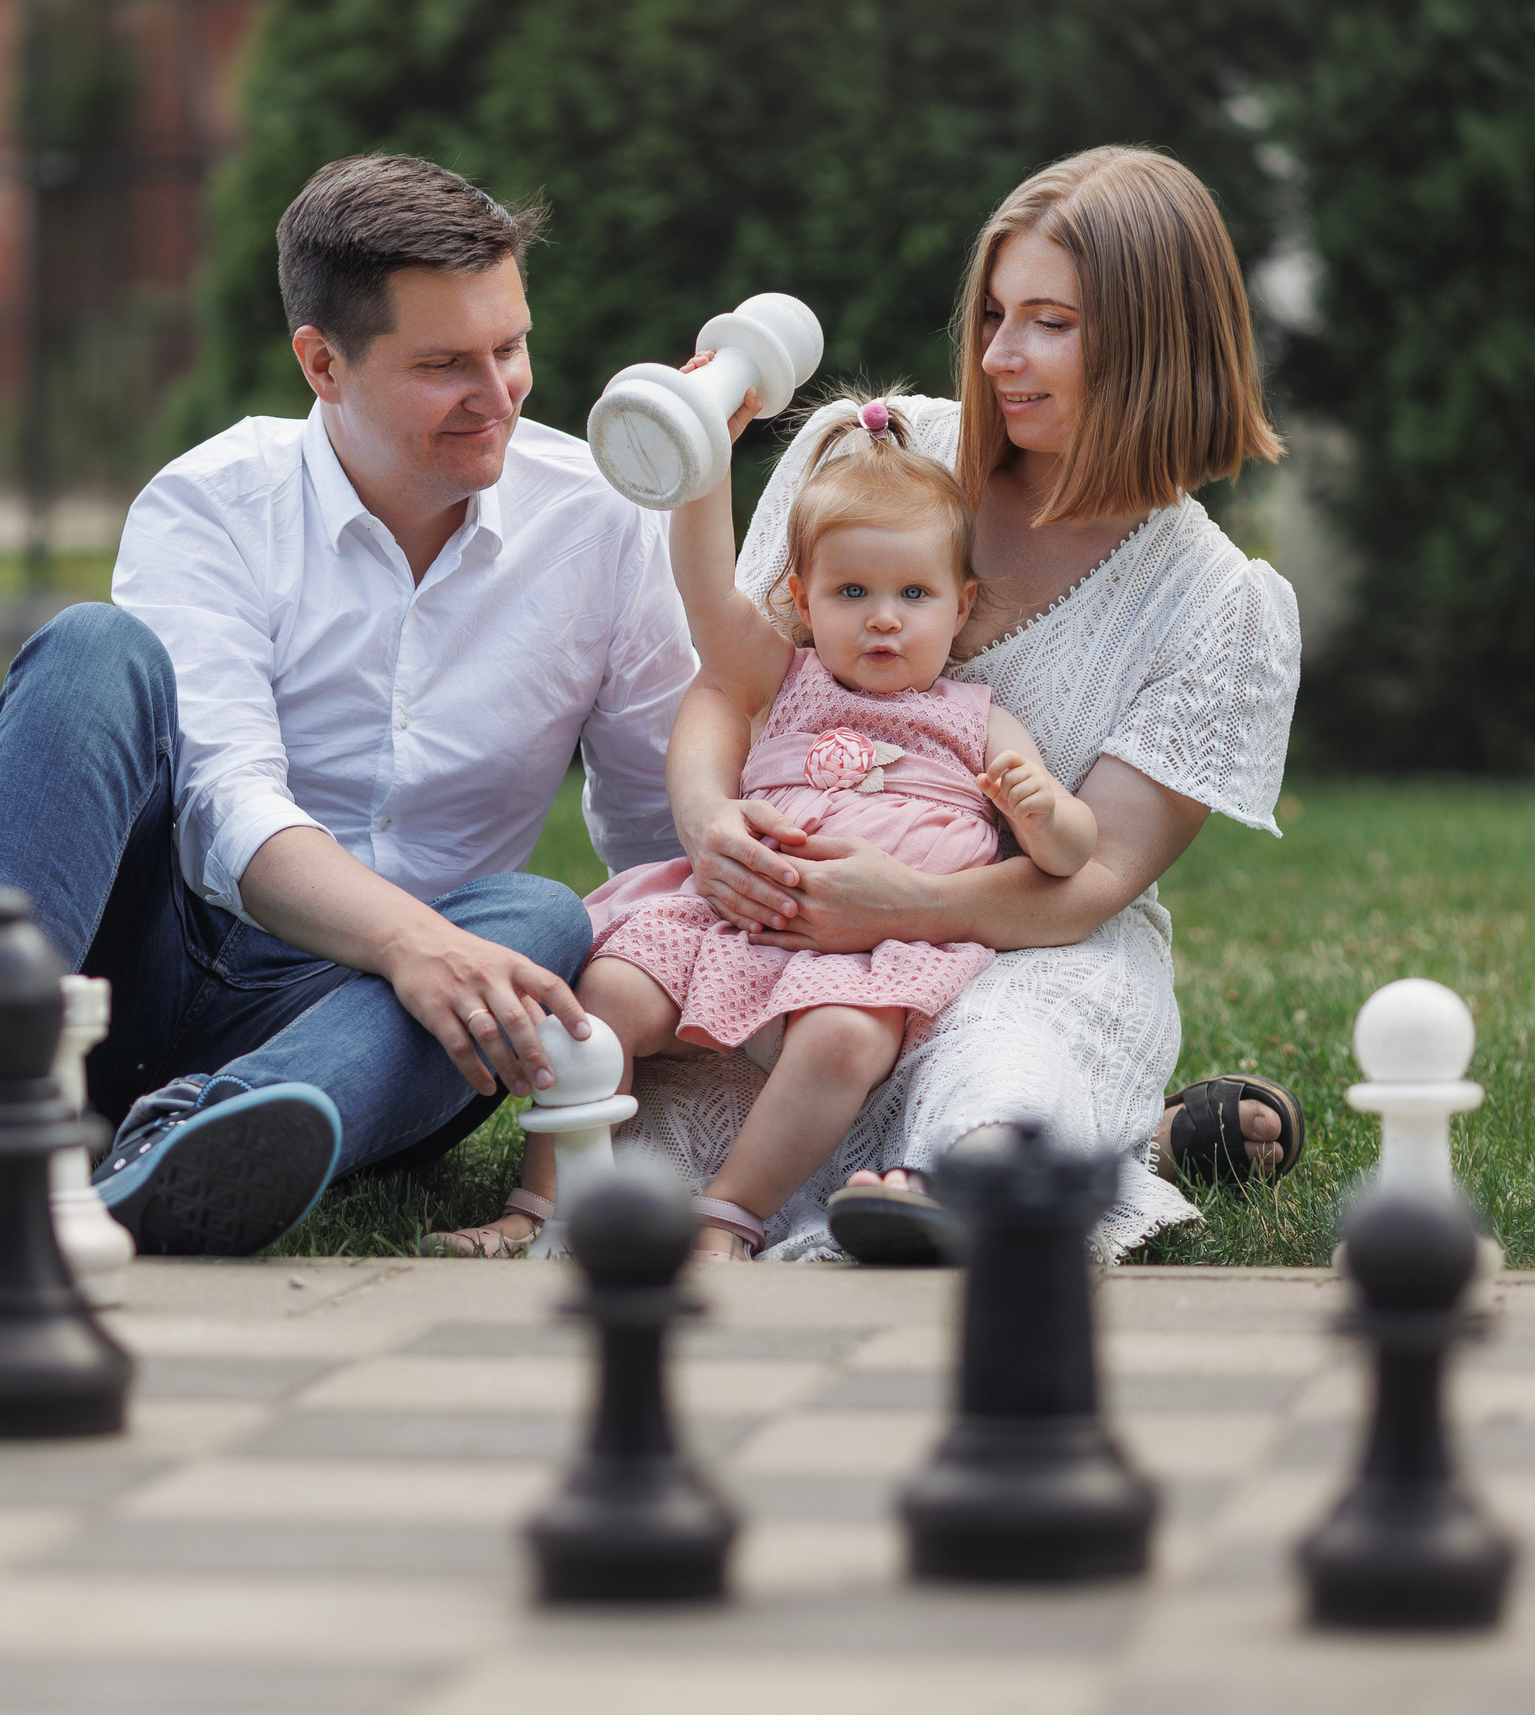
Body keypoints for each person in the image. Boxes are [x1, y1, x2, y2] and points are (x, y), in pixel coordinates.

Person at [0, 154, 696, 1257]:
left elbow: (657, 833)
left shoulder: (604, 523)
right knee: (90, 646)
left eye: (509, 347)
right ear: (321, 363)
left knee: (544, 918)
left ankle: (193, 1149)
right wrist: (412, 937)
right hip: (142, 970)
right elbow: (227, 804)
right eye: (443, 365)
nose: (498, 394)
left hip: (376, 1034)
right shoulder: (210, 506)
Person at [622, 145, 1308, 1262]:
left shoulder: (1221, 607)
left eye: (1050, 322)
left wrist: (901, 904)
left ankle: (984, 1177)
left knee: (1000, 1066)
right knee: (667, 1148)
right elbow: (735, 683)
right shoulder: (875, 453)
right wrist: (707, 821)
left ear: (1154, 340)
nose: (999, 355)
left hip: (1031, 941)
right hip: (802, 929)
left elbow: (1087, 886)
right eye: (994, 314)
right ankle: (1149, 1142)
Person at [426, 396, 1096, 1262]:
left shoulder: (976, 719)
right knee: (606, 1000)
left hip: (864, 956)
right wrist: (704, 450)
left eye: (914, 594)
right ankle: (546, 1203)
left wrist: (1041, 807)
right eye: (851, 591)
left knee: (847, 1042)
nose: (883, 617)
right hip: (731, 922)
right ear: (801, 599)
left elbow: (1071, 854)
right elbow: (704, 590)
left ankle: (728, 1216)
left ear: (962, 605)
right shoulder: (786, 674)